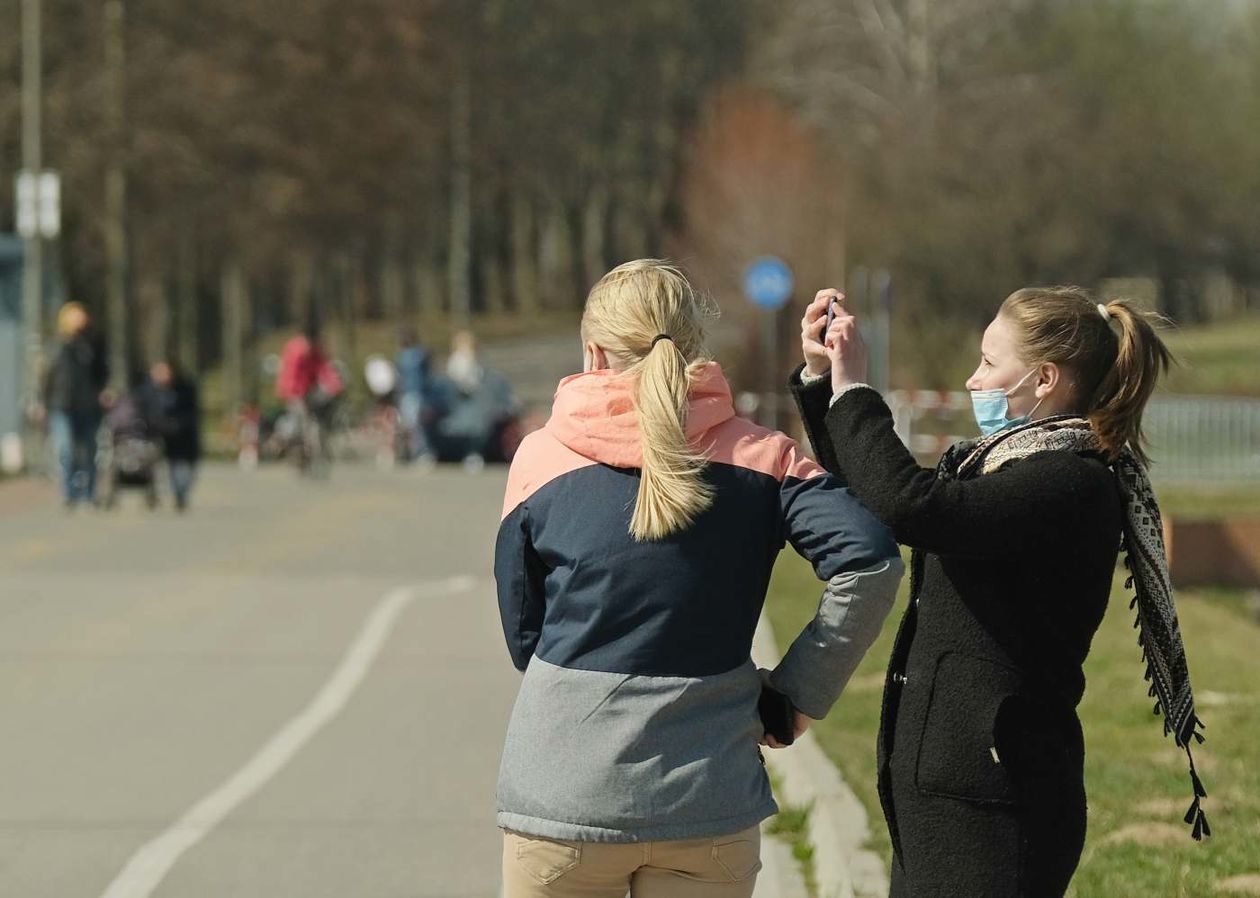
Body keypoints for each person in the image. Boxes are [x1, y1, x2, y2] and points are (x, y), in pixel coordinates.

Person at [494, 260, 904, 897]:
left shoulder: (541, 457)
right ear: (693, 346)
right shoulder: (765, 458)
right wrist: (796, 693)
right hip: (707, 798)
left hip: (562, 794)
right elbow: (871, 559)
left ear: (593, 351)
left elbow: (524, 633)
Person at [790, 286, 1210, 898]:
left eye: (989, 362)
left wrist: (856, 391)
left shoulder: (1068, 482)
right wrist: (824, 377)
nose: (972, 377)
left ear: (1043, 379)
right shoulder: (1004, 467)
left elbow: (913, 507)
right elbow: (880, 492)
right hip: (953, 797)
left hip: (995, 806)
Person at [41, 302, 109, 508]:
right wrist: (43, 403)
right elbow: (47, 377)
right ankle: (68, 492)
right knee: (66, 449)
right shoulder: (56, 344)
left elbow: (102, 373)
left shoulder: (93, 343)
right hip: (61, 405)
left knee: (89, 450)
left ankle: (89, 494)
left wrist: (104, 392)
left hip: (88, 405)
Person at [275, 325, 343, 471]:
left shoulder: (316, 350)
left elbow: (325, 368)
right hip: (293, 391)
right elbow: (290, 375)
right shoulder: (296, 350)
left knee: (313, 421)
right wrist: (294, 393)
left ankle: (310, 452)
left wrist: (334, 385)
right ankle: (285, 442)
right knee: (300, 421)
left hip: (308, 390)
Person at [138, 360, 202, 511]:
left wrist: (176, 426)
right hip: (152, 435)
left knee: (181, 469)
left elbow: (190, 414)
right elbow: (139, 413)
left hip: (179, 435)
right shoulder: (145, 392)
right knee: (148, 462)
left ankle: (180, 495)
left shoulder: (184, 390)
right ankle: (151, 493)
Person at [394, 328, 433, 463]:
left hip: (417, 394)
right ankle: (409, 452)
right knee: (408, 426)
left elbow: (426, 375)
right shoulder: (401, 356)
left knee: (416, 425)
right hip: (407, 395)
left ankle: (422, 452)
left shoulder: (419, 355)